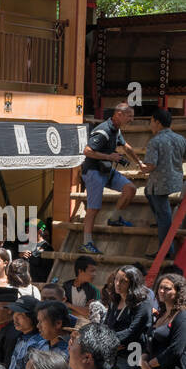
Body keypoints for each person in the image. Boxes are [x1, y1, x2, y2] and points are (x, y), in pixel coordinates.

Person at [81, 102, 142, 253]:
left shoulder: (116, 129)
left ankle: (114, 218)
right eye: (129, 116)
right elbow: (87, 151)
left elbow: (126, 147)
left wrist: (139, 163)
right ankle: (86, 243)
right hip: (93, 171)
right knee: (93, 208)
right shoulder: (104, 131)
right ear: (119, 115)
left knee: (130, 189)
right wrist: (109, 156)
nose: (131, 119)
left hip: (106, 170)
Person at [142, 107, 186, 257]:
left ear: (158, 122)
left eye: (151, 121)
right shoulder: (181, 139)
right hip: (176, 181)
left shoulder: (155, 141)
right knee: (147, 192)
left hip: (160, 183)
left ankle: (166, 251)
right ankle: (161, 220)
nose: (150, 124)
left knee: (164, 217)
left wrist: (143, 168)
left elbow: (151, 166)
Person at [6, 296, 46, 369]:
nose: (15, 318)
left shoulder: (37, 343)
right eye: (14, 314)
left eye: (21, 315)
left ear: (33, 318)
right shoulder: (21, 337)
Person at [64, 256, 101, 321]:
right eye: (92, 271)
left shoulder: (94, 291)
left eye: (95, 271)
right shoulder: (65, 287)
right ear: (80, 271)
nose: (94, 274)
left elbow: (90, 313)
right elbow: (62, 310)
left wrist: (70, 305)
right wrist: (82, 311)